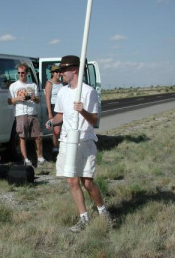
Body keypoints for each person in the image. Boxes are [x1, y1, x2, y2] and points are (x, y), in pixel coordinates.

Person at [46, 55, 113, 233]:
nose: (60, 74)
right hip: (67, 141)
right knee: (71, 181)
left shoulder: (88, 92)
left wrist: (82, 110)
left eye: (63, 71)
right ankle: (84, 218)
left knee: (88, 183)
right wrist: (53, 121)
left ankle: (103, 212)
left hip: (84, 140)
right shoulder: (62, 92)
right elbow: (60, 114)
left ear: (74, 70)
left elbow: (94, 120)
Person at [8, 63, 46, 166]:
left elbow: (38, 100)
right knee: (22, 137)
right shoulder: (13, 86)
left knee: (38, 136)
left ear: (27, 73)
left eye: (23, 73)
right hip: (20, 113)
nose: (21, 75)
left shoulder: (32, 85)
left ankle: (40, 157)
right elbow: (9, 101)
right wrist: (18, 98)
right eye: (19, 73)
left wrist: (33, 98)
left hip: (32, 112)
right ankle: (26, 159)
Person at [44, 65, 63, 153]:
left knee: (61, 129)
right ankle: (55, 147)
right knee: (56, 129)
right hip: (53, 107)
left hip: (61, 107)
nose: (58, 74)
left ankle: (60, 146)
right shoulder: (49, 83)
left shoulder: (61, 83)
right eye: (56, 72)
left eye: (59, 72)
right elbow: (47, 98)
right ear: (52, 73)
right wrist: (50, 112)